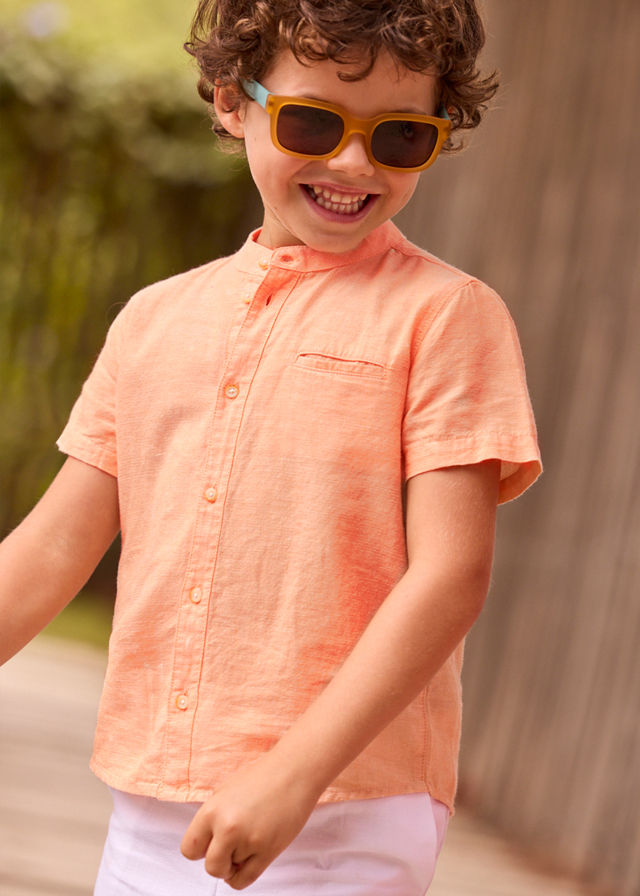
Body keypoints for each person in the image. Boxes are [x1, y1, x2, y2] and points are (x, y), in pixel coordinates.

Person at [0, 1, 542, 893]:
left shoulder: (448, 317)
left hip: (341, 813)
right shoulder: (153, 320)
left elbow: (451, 576)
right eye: (313, 122)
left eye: (401, 137)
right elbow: (54, 546)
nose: (354, 163)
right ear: (230, 99)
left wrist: (295, 773)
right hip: (149, 801)